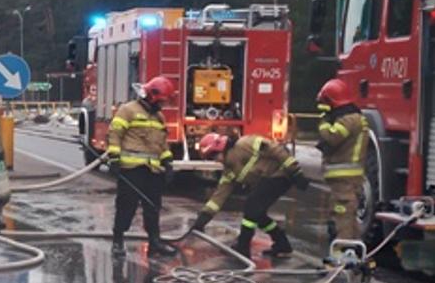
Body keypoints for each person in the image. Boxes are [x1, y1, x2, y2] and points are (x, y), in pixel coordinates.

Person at [189, 132, 309, 259]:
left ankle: (243, 246)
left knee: (251, 207)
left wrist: (295, 172)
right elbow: (218, 197)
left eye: (214, 155)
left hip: (279, 174)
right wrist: (202, 219)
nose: (215, 160)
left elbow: (275, 149)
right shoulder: (229, 170)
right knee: (258, 213)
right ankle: (282, 243)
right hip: (267, 180)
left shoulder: (244, 144)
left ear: (220, 148)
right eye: (211, 158)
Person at [107, 76, 179, 256]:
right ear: (152, 96)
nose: (164, 105)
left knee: (153, 207)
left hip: (153, 170)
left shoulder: (159, 117)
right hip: (132, 169)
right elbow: (115, 134)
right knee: (126, 205)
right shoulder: (128, 110)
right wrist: (114, 158)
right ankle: (118, 240)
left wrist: (168, 161)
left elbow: (161, 143)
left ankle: (154, 242)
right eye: (162, 100)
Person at [316, 78, 371, 245]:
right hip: (347, 178)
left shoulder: (348, 119)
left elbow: (332, 138)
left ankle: (343, 255)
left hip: (344, 178)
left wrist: (324, 120)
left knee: (343, 215)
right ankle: (352, 251)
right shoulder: (352, 117)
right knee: (347, 215)